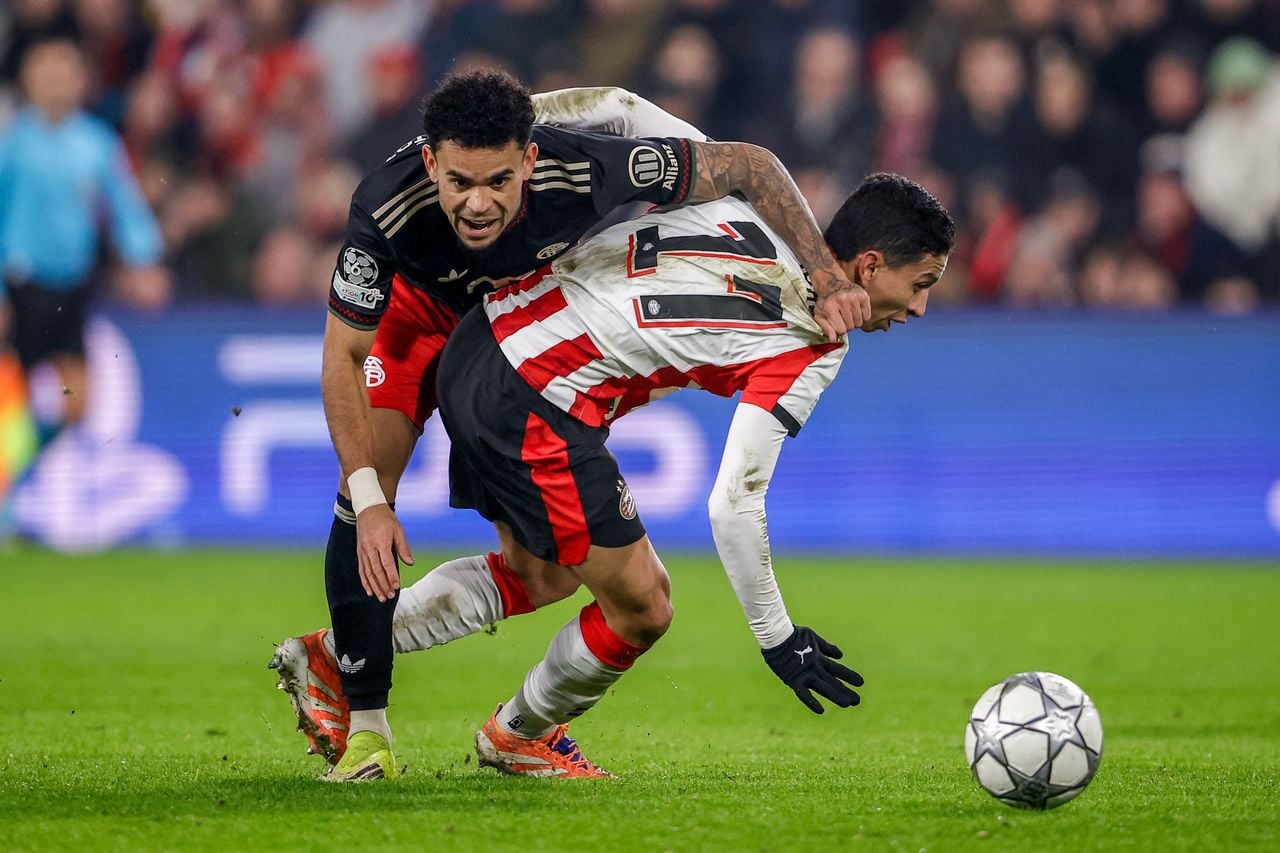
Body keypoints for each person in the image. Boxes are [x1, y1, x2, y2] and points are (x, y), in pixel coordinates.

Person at [271, 69, 872, 781]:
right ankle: (368, 730)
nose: (477, 202)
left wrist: (826, 276)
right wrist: (371, 499)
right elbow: (343, 353)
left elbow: (748, 165)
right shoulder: (386, 203)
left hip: (505, 334)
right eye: (459, 181)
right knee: (365, 485)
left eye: (498, 180)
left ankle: (340, 653)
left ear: (530, 159)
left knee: (545, 572)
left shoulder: (586, 167)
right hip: (413, 323)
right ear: (430, 163)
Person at [0, 39, 166, 467]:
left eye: (65, 76)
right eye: (47, 76)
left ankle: (14, 475)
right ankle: (8, 494)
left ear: (81, 83)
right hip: (22, 284)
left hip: (71, 286)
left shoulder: (96, 144)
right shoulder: (15, 145)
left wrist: (145, 259)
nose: (56, 86)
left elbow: (124, 206)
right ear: (30, 82)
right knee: (11, 397)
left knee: (77, 401)